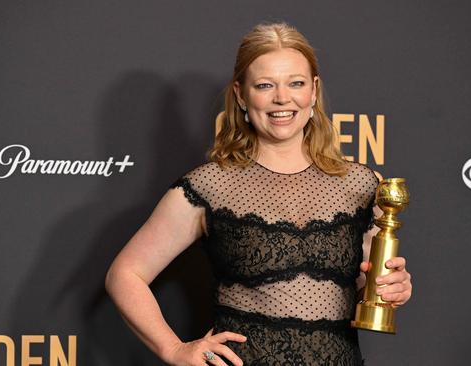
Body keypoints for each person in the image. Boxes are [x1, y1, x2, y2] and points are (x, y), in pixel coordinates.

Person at [105, 22, 412, 366]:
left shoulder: (362, 184)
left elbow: (364, 285)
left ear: (313, 91)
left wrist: (393, 288)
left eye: (295, 83)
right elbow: (125, 274)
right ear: (240, 94)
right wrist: (173, 349)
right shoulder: (211, 185)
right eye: (265, 85)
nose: (282, 98)